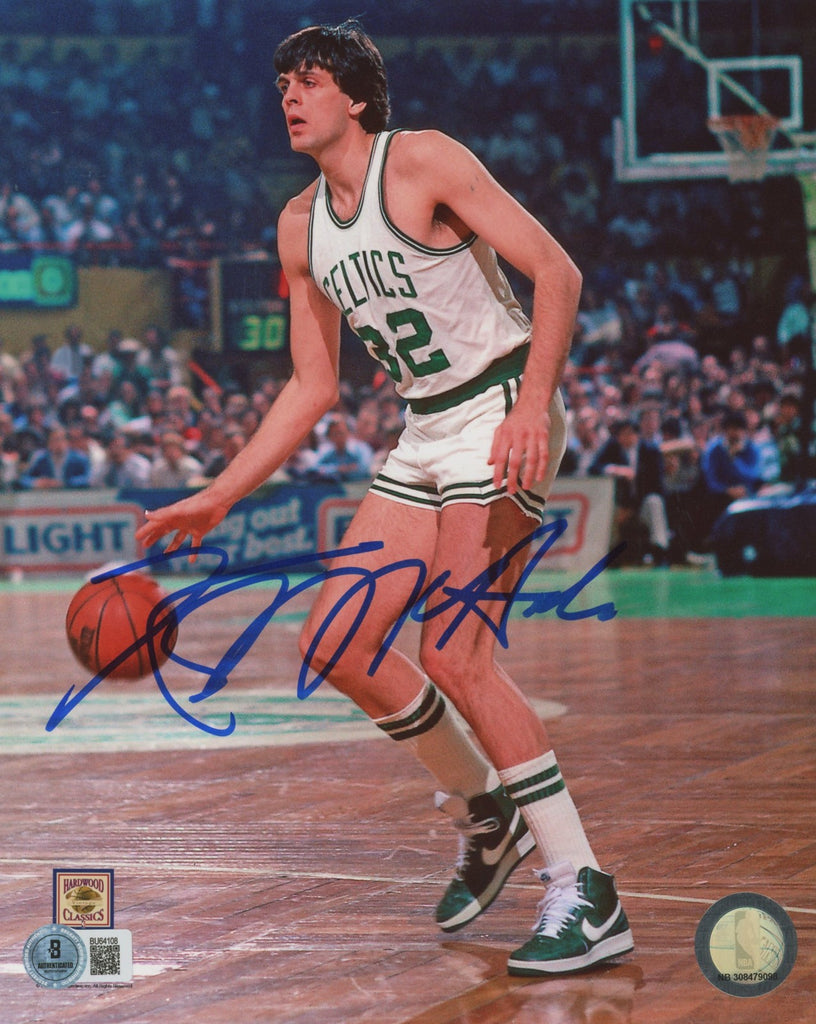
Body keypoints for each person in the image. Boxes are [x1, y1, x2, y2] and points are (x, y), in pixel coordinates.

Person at [136, 21, 632, 977]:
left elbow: (556, 272)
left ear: (356, 98)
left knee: (454, 651)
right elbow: (310, 386)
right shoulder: (298, 225)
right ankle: (485, 810)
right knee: (337, 644)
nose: (290, 95)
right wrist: (217, 495)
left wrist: (535, 403)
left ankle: (585, 887)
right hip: (426, 429)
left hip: (498, 404)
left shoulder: (424, 161)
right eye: (283, 82)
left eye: (310, 80)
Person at [589, 414, 671, 565]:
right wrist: (614, 469)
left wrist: (632, 508)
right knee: (609, 510)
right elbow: (593, 468)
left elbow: (656, 486)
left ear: (637, 435)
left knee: (655, 502)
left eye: (629, 433)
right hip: (620, 504)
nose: (626, 437)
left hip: (642, 502)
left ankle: (660, 550)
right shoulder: (612, 447)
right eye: (622, 434)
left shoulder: (650, 451)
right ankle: (611, 554)